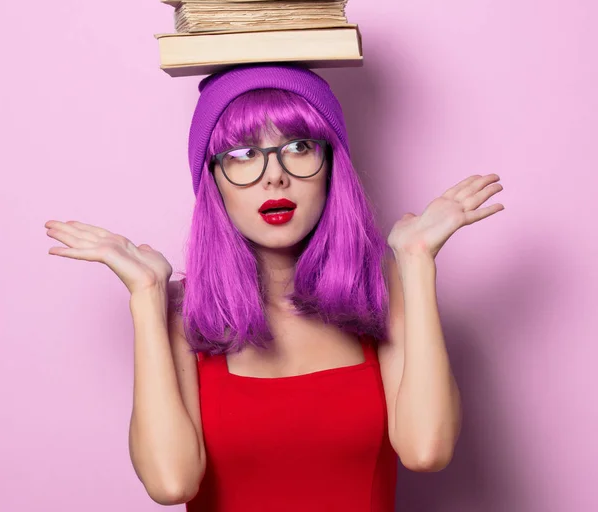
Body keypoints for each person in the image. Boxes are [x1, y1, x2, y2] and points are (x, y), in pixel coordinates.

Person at [45, 63, 503, 511]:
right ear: (213, 183)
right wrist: (147, 295)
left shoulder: (381, 292)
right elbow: (171, 483)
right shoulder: (181, 313)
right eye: (242, 155)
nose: (274, 175)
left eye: (299, 146)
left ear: (331, 166)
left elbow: (427, 449)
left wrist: (417, 260)